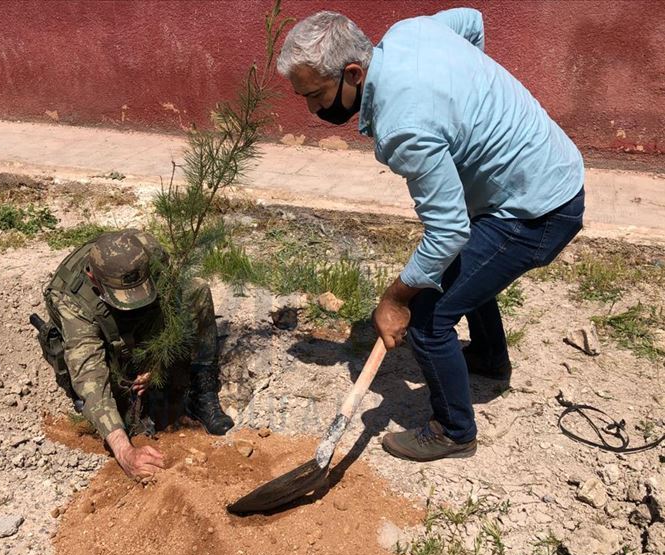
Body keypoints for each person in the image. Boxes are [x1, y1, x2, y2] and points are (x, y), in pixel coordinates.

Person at [277, 8, 584, 461]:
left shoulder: (405, 127)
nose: (312, 109)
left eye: (316, 94)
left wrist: (395, 298)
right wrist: (469, 112)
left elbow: (448, 231)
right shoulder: (411, 33)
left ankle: (454, 431)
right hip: (549, 171)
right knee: (462, 271)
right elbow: (472, 21)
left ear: (354, 73)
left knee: (428, 317)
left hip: (538, 212)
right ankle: (489, 359)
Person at [38, 229, 234, 478]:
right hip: (105, 339)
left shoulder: (149, 253)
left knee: (196, 291)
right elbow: (89, 373)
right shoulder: (72, 300)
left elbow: (168, 308)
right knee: (122, 415)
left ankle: (201, 393)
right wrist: (124, 451)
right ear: (92, 278)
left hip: (143, 323)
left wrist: (157, 362)